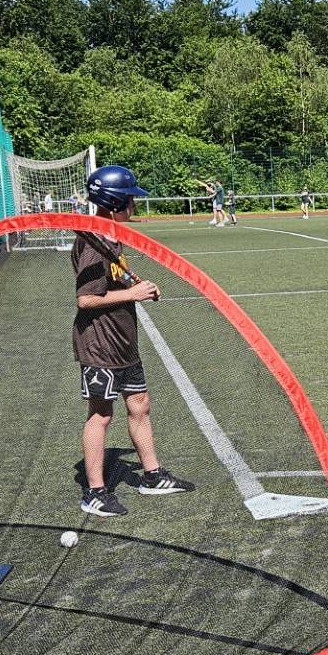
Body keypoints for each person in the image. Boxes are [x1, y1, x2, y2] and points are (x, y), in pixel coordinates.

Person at [74, 164, 196, 518]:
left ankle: (152, 475)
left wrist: (136, 287)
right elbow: (86, 300)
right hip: (99, 343)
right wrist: (134, 295)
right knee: (101, 414)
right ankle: (95, 492)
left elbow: (114, 282)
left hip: (123, 340)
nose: (134, 205)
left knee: (139, 405)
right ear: (114, 202)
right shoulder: (92, 243)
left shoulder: (110, 237)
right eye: (130, 199)